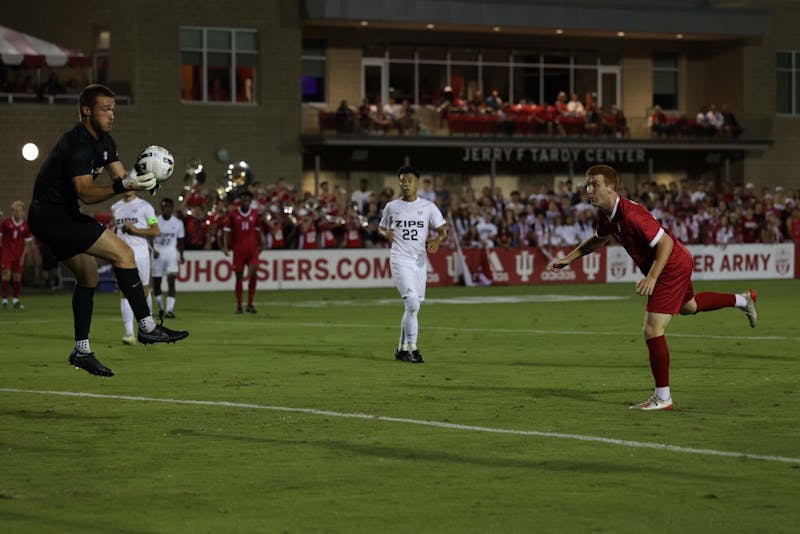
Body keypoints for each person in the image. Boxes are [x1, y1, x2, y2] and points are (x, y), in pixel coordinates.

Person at [548, 165, 758, 411]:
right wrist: (569, 258)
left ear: (611, 188)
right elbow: (600, 238)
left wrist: (652, 278)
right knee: (690, 307)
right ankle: (744, 300)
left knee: (651, 329)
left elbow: (666, 243)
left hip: (670, 265)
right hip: (672, 263)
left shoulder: (632, 214)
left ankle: (663, 397)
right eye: (587, 185)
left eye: (595, 184)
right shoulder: (606, 214)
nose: (589, 190)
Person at [27, 83, 189, 377]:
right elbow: (87, 194)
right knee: (124, 253)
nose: (112, 115)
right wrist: (125, 185)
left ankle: (82, 349)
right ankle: (147, 326)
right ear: (86, 111)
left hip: (61, 217)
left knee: (88, 277)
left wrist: (147, 179)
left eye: (114, 109)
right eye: (106, 109)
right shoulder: (75, 144)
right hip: (52, 217)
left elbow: (122, 177)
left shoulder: (105, 142)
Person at [379, 165, 447, 363]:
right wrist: (385, 233)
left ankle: (401, 349)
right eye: (402, 181)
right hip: (400, 259)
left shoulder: (428, 207)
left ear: (417, 183)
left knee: (412, 308)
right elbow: (382, 228)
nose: (405, 184)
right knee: (411, 302)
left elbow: (443, 230)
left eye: (409, 180)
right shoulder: (392, 206)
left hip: (419, 262)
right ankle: (412, 349)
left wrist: (438, 240)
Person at [111, 189, 160, 344]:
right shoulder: (115, 207)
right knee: (125, 292)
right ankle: (129, 334)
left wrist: (135, 229)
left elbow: (156, 230)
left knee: (144, 291)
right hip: (122, 256)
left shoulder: (145, 206)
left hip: (141, 255)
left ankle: (149, 329)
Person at [222, 189, 262, 314]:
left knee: (253, 274)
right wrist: (225, 246)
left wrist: (262, 243)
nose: (246, 202)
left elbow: (257, 230)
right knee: (239, 277)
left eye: (248, 200)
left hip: (252, 249)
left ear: (250, 202)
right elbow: (227, 231)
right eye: (244, 200)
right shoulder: (233, 215)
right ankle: (239, 306)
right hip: (238, 250)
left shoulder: (255, 214)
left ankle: (250, 304)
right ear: (241, 201)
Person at [151, 197, 185, 319]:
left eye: (168, 207)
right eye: (164, 207)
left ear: (172, 208)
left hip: (171, 254)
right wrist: (152, 249)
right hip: (157, 254)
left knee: (171, 282)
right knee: (157, 284)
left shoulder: (178, 223)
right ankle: (160, 308)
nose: (166, 209)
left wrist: (181, 255)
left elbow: (181, 241)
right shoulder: (155, 221)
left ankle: (170, 310)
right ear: (161, 208)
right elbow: (149, 237)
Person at [1, 200, 33, 309]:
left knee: (17, 277)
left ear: (23, 212)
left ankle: (15, 300)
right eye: (15, 211)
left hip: (18, 254)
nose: (18, 213)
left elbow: (27, 243)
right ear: (12, 212)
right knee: (6, 274)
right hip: (7, 253)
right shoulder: (6, 223)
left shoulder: (25, 225)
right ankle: (4, 299)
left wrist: (23, 256)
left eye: (20, 211)